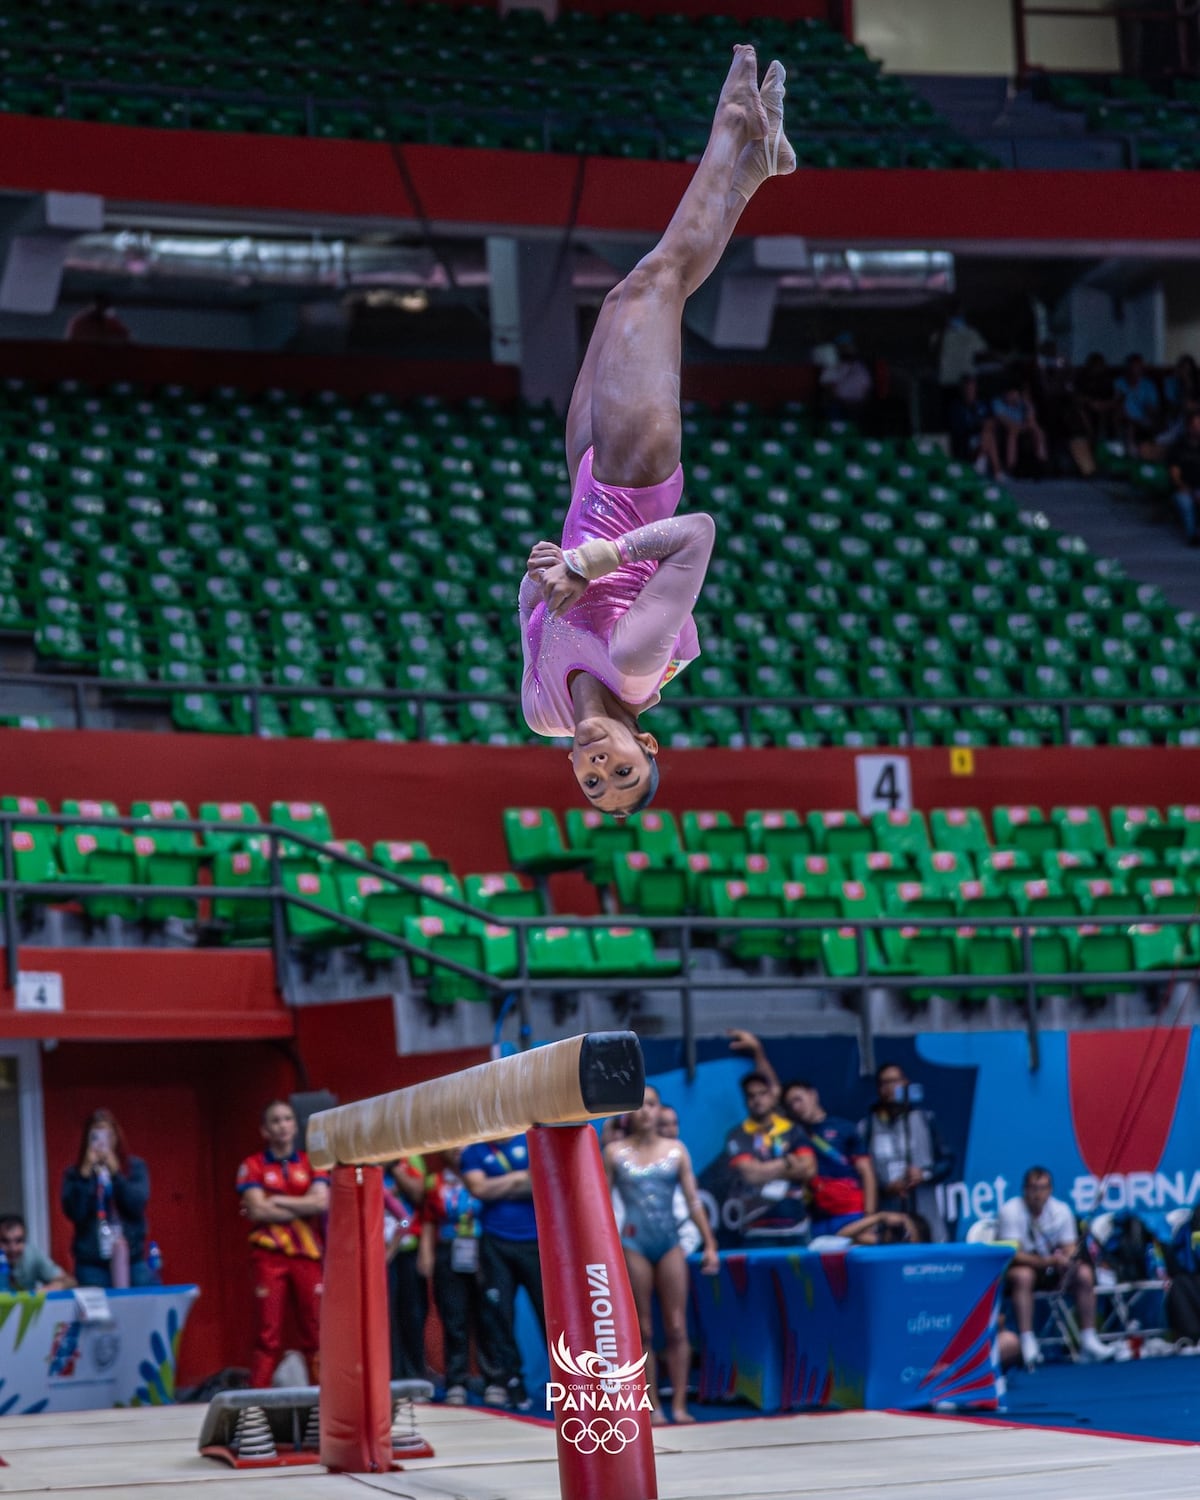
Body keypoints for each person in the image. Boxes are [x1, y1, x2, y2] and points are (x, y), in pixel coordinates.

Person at [519, 46, 794, 816]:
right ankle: (735, 127)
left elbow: (533, 602)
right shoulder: (635, 665)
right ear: (646, 743)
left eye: (592, 785)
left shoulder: (541, 712)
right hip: (638, 474)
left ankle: (756, 167)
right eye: (622, 771)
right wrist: (593, 561)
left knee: (622, 298)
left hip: (585, 478)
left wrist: (548, 570)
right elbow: (698, 533)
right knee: (656, 284)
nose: (597, 768)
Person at [605, 1085, 719, 1425]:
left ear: (659, 1110)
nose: (645, 1111)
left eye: (651, 1104)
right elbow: (601, 1205)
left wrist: (710, 1243)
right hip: (634, 1243)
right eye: (638, 1105)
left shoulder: (676, 1150)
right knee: (643, 1329)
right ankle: (652, 1405)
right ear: (627, 1112)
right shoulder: (614, 1152)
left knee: (677, 1326)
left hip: (669, 1242)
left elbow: (693, 1201)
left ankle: (680, 1405)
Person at [236, 1099, 330, 1389]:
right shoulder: (252, 1165)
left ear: (295, 1126)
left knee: (315, 1331)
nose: (282, 1125)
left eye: (287, 1119)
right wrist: (301, 1204)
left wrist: (276, 1199)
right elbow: (257, 1210)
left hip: (307, 1253)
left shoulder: (311, 1162)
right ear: (265, 1130)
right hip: (269, 1254)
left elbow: (320, 1203)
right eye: (275, 1120)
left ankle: (322, 1397)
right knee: (267, 1333)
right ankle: (256, 1402)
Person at [997, 1166, 1112, 1367]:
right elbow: (1013, 1255)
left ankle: (1088, 1339)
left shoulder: (1061, 1210)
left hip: (1053, 1271)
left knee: (1083, 1273)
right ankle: (1027, 1339)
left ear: (1050, 1190)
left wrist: (1068, 1259)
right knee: (1024, 1275)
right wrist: (1049, 1261)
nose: (1038, 1194)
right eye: (1033, 1188)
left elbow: (1069, 1247)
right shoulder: (1010, 1211)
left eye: (1042, 1188)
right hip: (1021, 1271)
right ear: (1024, 1190)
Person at [460, 1132, 543, 1412]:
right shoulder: (474, 1150)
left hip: (535, 1241)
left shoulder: (530, 1141)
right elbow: (478, 1189)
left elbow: (540, 1182)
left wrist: (496, 1185)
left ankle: (570, 1382)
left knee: (550, 1315)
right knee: (499, 1316)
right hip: (495, 1243)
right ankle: (511, 1383)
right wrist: (519, 1178)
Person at [61, 1108, 156, 1288]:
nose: (101, 1142)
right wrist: (85, 1175)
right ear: (87, 1139)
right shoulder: (75, 1174)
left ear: (116, 1137)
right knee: (95, 1305)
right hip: (92, 1262)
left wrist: (117, 1174)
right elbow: (75, 1212)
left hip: (132, 1258)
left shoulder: (134, 1168)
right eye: (95, 1136)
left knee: (142, 1300)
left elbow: (137, 1204)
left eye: (107, 1136)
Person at [859, 1062, 953, 1242]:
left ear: (906, 1083)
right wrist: (885, 1188)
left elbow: (947, 1161)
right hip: (889, 1214)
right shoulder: (867, 1127)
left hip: (925, 1210)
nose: (890, 1088)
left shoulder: (925, 1119)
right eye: (885, 1083)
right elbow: (861, 1175)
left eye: (895, 1081)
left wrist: (924, 1174)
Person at [419, 1148, 484, 1407]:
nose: (457, 1150)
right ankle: (456, 1380)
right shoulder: (434, 1181)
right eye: (453, 1146)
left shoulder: (483, 1174)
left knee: (489, 1317)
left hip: (482, 1247)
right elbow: (427, 1218)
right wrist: (426, 1253)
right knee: (454, 1317)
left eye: (464, 1145)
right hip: (448, 1249)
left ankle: (495, 1379)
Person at [722, 1072, 813, 1245]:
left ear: (772, 1096)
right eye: (751, 1096)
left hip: (796, 1226)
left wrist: (763, 1169)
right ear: (745, 1101)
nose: (757, 1100)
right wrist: (787, 1162)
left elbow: (808, 1169)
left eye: (762, 1093)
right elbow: (751, 1175)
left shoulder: (793, 1130)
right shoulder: (737, 1135)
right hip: (757, 1229)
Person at [781, 1080, 876, 1235]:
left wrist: (870, 1216)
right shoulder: (793, 1136)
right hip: (816, 1219)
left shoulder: (844, 1128)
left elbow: (867, 1172)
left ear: (813, 1095)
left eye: (798, 1099)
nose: (796, 1107)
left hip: (851, 1213)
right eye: (791, 1104)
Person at [385, 1155, 428, 1382]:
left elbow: (404, 1219)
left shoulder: (408, 1160)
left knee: (412, 1312)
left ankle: (415, 1373)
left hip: (404, 1249)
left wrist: (391, 1248)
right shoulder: (363, 1172)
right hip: (371, 1256)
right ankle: (391, 1374)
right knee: (386, 1316)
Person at [0, 1213, 75, 1292]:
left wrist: (44, 1291)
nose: (13, 1248)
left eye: (19, 1241)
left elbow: (69, 1281)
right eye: (5, 1241)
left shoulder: (32, 1255)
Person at [948, 374, 1000, 475]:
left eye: (972, 388)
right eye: (967, 389)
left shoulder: (982, 404)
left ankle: (984, 468)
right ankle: (996, 471)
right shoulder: (956, 408)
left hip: (984, 437)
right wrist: (978, 426)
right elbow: (958, 430)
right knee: (987, 436)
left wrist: (985, 426)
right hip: (966, 441)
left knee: (988, 434)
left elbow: (992, 420)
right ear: (962, 390)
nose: (970, 391)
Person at [991, 381, 1048, 475]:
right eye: (1009, 393)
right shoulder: (997, 402)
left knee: (1037, 430)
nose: (1012, 396)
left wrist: (1027, 404)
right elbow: (1004, 421)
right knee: (1012, 432)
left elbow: (1031, 420)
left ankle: (1042, 462)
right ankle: (1011, 466)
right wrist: (1020, 426)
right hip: (1005, 429)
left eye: (1014, 393)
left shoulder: (1022, 403)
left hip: (1022, 427)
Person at [819, 333, 873, 422]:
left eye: (850, 346)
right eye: (845, 347)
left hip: (859, 405)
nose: (849, 349)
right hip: (840, 407)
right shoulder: (833, 366)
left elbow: (867, 386)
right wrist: (842, 401)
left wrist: (862, 401)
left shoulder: (860, 365)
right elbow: (827, 386)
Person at [1115, 353, 1162, 455]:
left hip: (1144, 420)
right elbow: (1116, 405)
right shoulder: (1119, 383)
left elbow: (1153, 409)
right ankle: (1131, 454)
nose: (1135, 370)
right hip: (1125, 419)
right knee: (1128, 425)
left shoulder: (1148, 385)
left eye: (1138, 367)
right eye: (1133, 367)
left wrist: (1148, 412)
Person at [1167, 407, 1200, 546]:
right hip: (1183, 488)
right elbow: (1174, 473)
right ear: (1189, 427)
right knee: (1185, 502)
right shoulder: (1179, 447)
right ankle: (1192, 536)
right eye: (1196, 424)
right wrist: (1184, 487)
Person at [65, 294, 131, 344]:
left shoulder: (110, 322)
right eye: (99, 306)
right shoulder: (79, 322)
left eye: (103, 306)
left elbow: (125, 336)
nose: (100, 309)